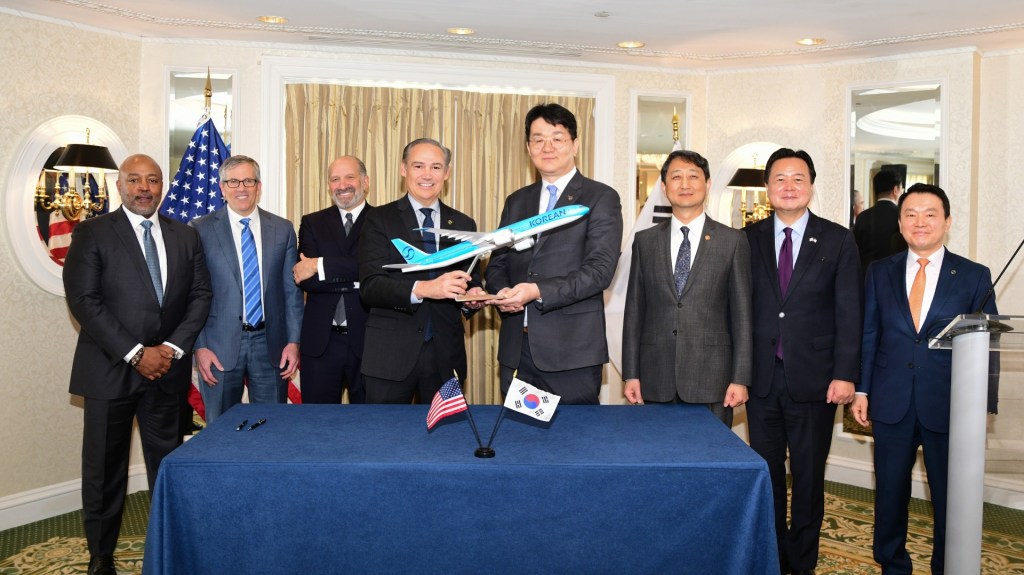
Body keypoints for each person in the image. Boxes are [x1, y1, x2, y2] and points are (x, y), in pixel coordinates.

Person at [63, 154, 212, 575]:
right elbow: (84, 301)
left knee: (167, 467)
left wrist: (171, 349)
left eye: (152, 180)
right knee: (104, 470)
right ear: (120, 186)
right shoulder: (92, 232)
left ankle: (169, 550)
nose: (144, 188)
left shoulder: (185, 235)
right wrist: (136, 353)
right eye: (134, 180)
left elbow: (200, 295)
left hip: (167, 371)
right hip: (109, 369)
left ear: (162, 186)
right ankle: (101, 556)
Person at [852, 183, 997, 575]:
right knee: (889, 495)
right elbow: (869, 334)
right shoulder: (879, 271)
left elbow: (989, 346)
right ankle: (892, 565)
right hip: (891, 400)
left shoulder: (973, 276)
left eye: (930, 214)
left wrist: (984, 404)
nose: (920, 222)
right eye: (911, 214)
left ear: (947, 222)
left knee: (951, 499)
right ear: (900, 224)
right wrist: (861, 389)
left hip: (951, 404)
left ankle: (946, 566)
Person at [744, 148, 862, 575]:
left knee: (809, 477)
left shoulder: (837, 239)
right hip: (760, 379)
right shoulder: (748, 238)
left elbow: (850, 312)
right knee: (768, 474)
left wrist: (845, 374)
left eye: (798, 178)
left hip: (816, 380)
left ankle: (803, 561)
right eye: (779, 179)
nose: (788, 186)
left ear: (811, 185)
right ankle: (773, 556)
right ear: (767, 187)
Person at [484, 103, 623, 405]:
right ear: (528, 148)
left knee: (573, 435)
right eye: (538, 139)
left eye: (557, 138)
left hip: (571, 354)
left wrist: (536, 291)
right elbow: (497, 263)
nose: (547, 147)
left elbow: (599, 271)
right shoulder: (517, 201)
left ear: (575, 145)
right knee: (517, 432)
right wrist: (502, 292)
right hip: (516, 350)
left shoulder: (600, 198)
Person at [621, 150, 752, 426]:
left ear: (708, 184)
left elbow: (742, 316)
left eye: (693, 176)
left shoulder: (732, 241)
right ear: (663, 186)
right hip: (655, 377)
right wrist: (631, 373)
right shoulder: (645, 241)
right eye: (676, 177)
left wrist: (740, 378)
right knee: (656, 450)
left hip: (713, 379)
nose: (685, 184)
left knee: (711, 452)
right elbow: (634, 311)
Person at [357, 138, 484, 403]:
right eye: (418, 166)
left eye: (436, 167)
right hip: (390, 356)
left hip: (445, 356)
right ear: (404, 169)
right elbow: (371, 286)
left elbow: (472, 281)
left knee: (445, 431)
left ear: (446, 173)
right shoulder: (378, 219)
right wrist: (427, 289)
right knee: (385, 429)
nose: (427, 175)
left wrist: (472, 299)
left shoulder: (464, 224)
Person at [190, 155, 303, 423]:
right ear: (222, 187)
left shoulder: (283, 229)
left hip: (271, 344)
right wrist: (200, 347)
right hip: (218, 346)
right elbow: (192, 293)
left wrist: (293, 342)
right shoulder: (199, 229)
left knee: (270, 427)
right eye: (233, 181)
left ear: (258, 186)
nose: (241, 188)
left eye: (248, 181)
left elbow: (291, 292)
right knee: (220, 428)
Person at [293, 156, 373, 404]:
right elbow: (306, 281)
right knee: (318, 421)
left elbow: (379, 271)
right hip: (320, 343)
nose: (342, 185)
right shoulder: (312, 222)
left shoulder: (383, 221)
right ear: (328, 185)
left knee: (371, 420)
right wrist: (358, 278)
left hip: (369, 340)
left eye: (350, 177)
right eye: (335, 179)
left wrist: (319, 265)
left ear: (365, 181)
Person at [854, 169, 906, 272]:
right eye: (901, 189)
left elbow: (856, 251)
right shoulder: (902, 215)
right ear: (896, 190)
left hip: (866, 274)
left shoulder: (862, 217)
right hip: (894, 273)